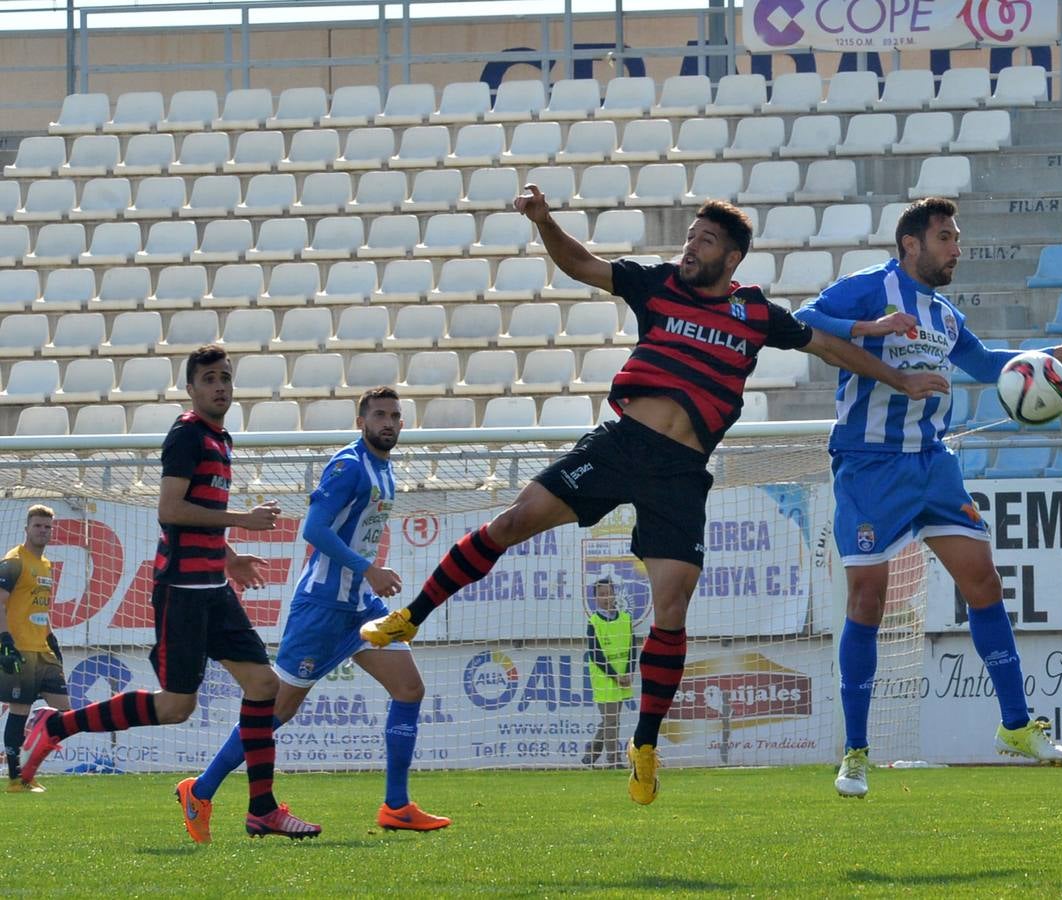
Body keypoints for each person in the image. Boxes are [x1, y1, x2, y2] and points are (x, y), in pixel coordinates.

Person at [359, 187, 944, 805]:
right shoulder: (657, 284)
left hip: (681, 473)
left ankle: (643, 745)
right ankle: (411, 617)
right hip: (620, 447)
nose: (691, 247)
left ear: (734, 257)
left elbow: (826, 346)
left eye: (706, 241)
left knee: (671, 607)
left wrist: (900, 378)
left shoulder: (754, 314)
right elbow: (583, 265)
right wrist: (544, 220)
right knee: (512, 522)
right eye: (690, 237)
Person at [794, 197, 1062, 798]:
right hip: (868, 466)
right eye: (946, 237)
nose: (956, 248)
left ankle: (1016, 725)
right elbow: (801, 323)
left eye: (957, 238)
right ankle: (855, 751)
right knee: (868, 600)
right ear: (910, 244)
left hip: (933, 465)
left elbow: (985, 364)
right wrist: (869, 330)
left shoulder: (945, 316)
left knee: (984, 582)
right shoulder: (869, 289)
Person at [19, 345, 320, 838]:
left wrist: (230, 557)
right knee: (177, 707)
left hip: (214, 587)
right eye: (209, 379)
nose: (220, 386)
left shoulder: (221, 438)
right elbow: (170, 511)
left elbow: (196, 516)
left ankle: (261, 808)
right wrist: (241, 520)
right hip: (182, 590)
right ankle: (55, 727)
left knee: (264, 686)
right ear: (192, 388)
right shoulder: (186, 435)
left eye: (225, 377)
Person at [176, 386, 449, 842]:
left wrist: (367, 578)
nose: (388, 422)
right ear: (362, 421)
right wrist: (369, 569)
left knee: (409, 687)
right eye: (379, 414)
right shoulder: (348, 465)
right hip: (322, 608)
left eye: (395, 416)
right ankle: (199, 791)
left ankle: (397, 805)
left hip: (360, 606)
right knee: (277, 712)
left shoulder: (384, 469)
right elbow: (314, 528)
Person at [1, 505, 69, 793]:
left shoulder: (46, 565)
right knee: (19, 708)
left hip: (42, 648)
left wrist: (51, 638)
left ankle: (26, 760)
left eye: (47, 527)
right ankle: (17, 778)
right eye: (38, 525)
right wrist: (5, 641)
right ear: (26, 528)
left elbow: (38, 607)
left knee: (64, 711)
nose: (43, 530)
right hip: (19, 648)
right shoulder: (14, 561)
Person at [580, 576, 634, 768]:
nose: (606, 597)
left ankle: (591, 754)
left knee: (610, 720)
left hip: (624, 678)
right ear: (595, 598)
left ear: (615, 594)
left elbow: (632, 647)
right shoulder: (594, 621)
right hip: (605, 679)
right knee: (611, 721)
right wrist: (615, 675)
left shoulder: (626, 618)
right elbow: (596, 656)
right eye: (601, 594)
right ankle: (613, 761)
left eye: (609, 593)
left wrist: (629, 672)